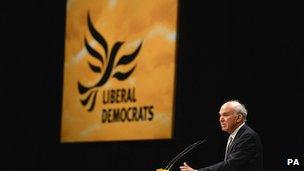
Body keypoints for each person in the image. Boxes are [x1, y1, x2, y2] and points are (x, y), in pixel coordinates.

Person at [180, 100, 263, 171]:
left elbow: (230, 166)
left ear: (239, 118)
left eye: (225, 115)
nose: (221, 119)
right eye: (220, 115)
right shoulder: (236, 135)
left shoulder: (247, 137)